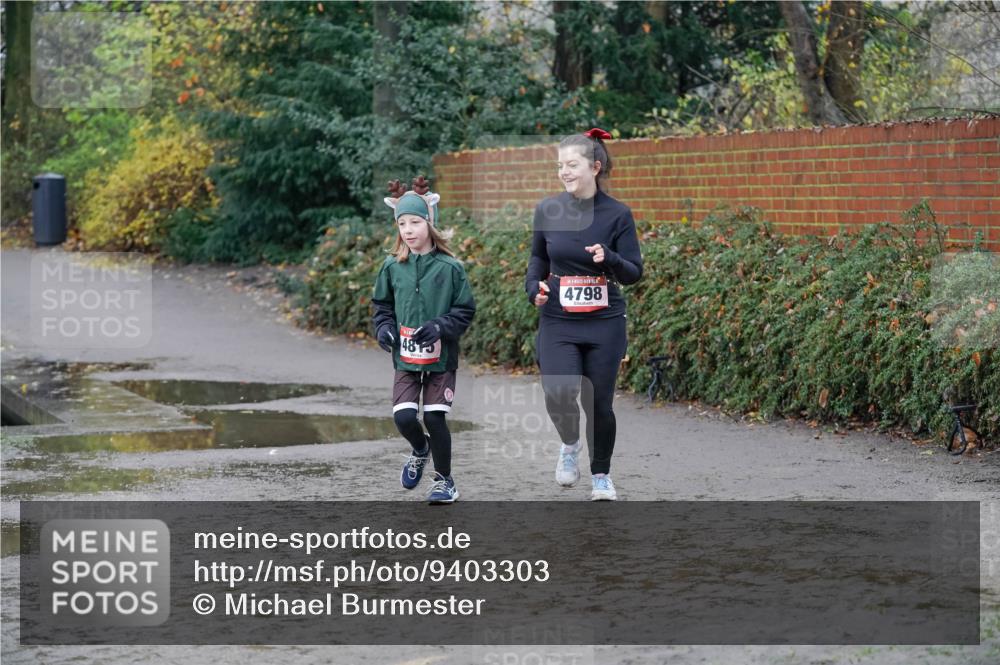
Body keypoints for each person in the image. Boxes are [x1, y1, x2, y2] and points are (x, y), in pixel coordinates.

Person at [524, 128, 643, 501]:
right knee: (558, 391)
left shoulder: (618, 214)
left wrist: (610, 257)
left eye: (572, 164)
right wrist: (533, 288)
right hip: (558, 318)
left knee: (599, 402)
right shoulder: (548, 210)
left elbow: (634, 272)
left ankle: (601, 475)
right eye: (560, 165)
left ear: (594, 167)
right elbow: (538, 259)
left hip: (604, 321)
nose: (564, 171)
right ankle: (570, 442)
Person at [372, 176, 476, 504]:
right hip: (405, 357)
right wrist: (383, 328)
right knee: (404, 417)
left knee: (433, 416)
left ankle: (445, 481)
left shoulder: (451, 268)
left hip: (441, 358)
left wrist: (440, 326)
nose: (408, 230)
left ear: (430, 223)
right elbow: (382, 306)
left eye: (415, 222)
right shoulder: (391, 266)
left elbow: (465, 310)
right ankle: (420, 448)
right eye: (402, 223)